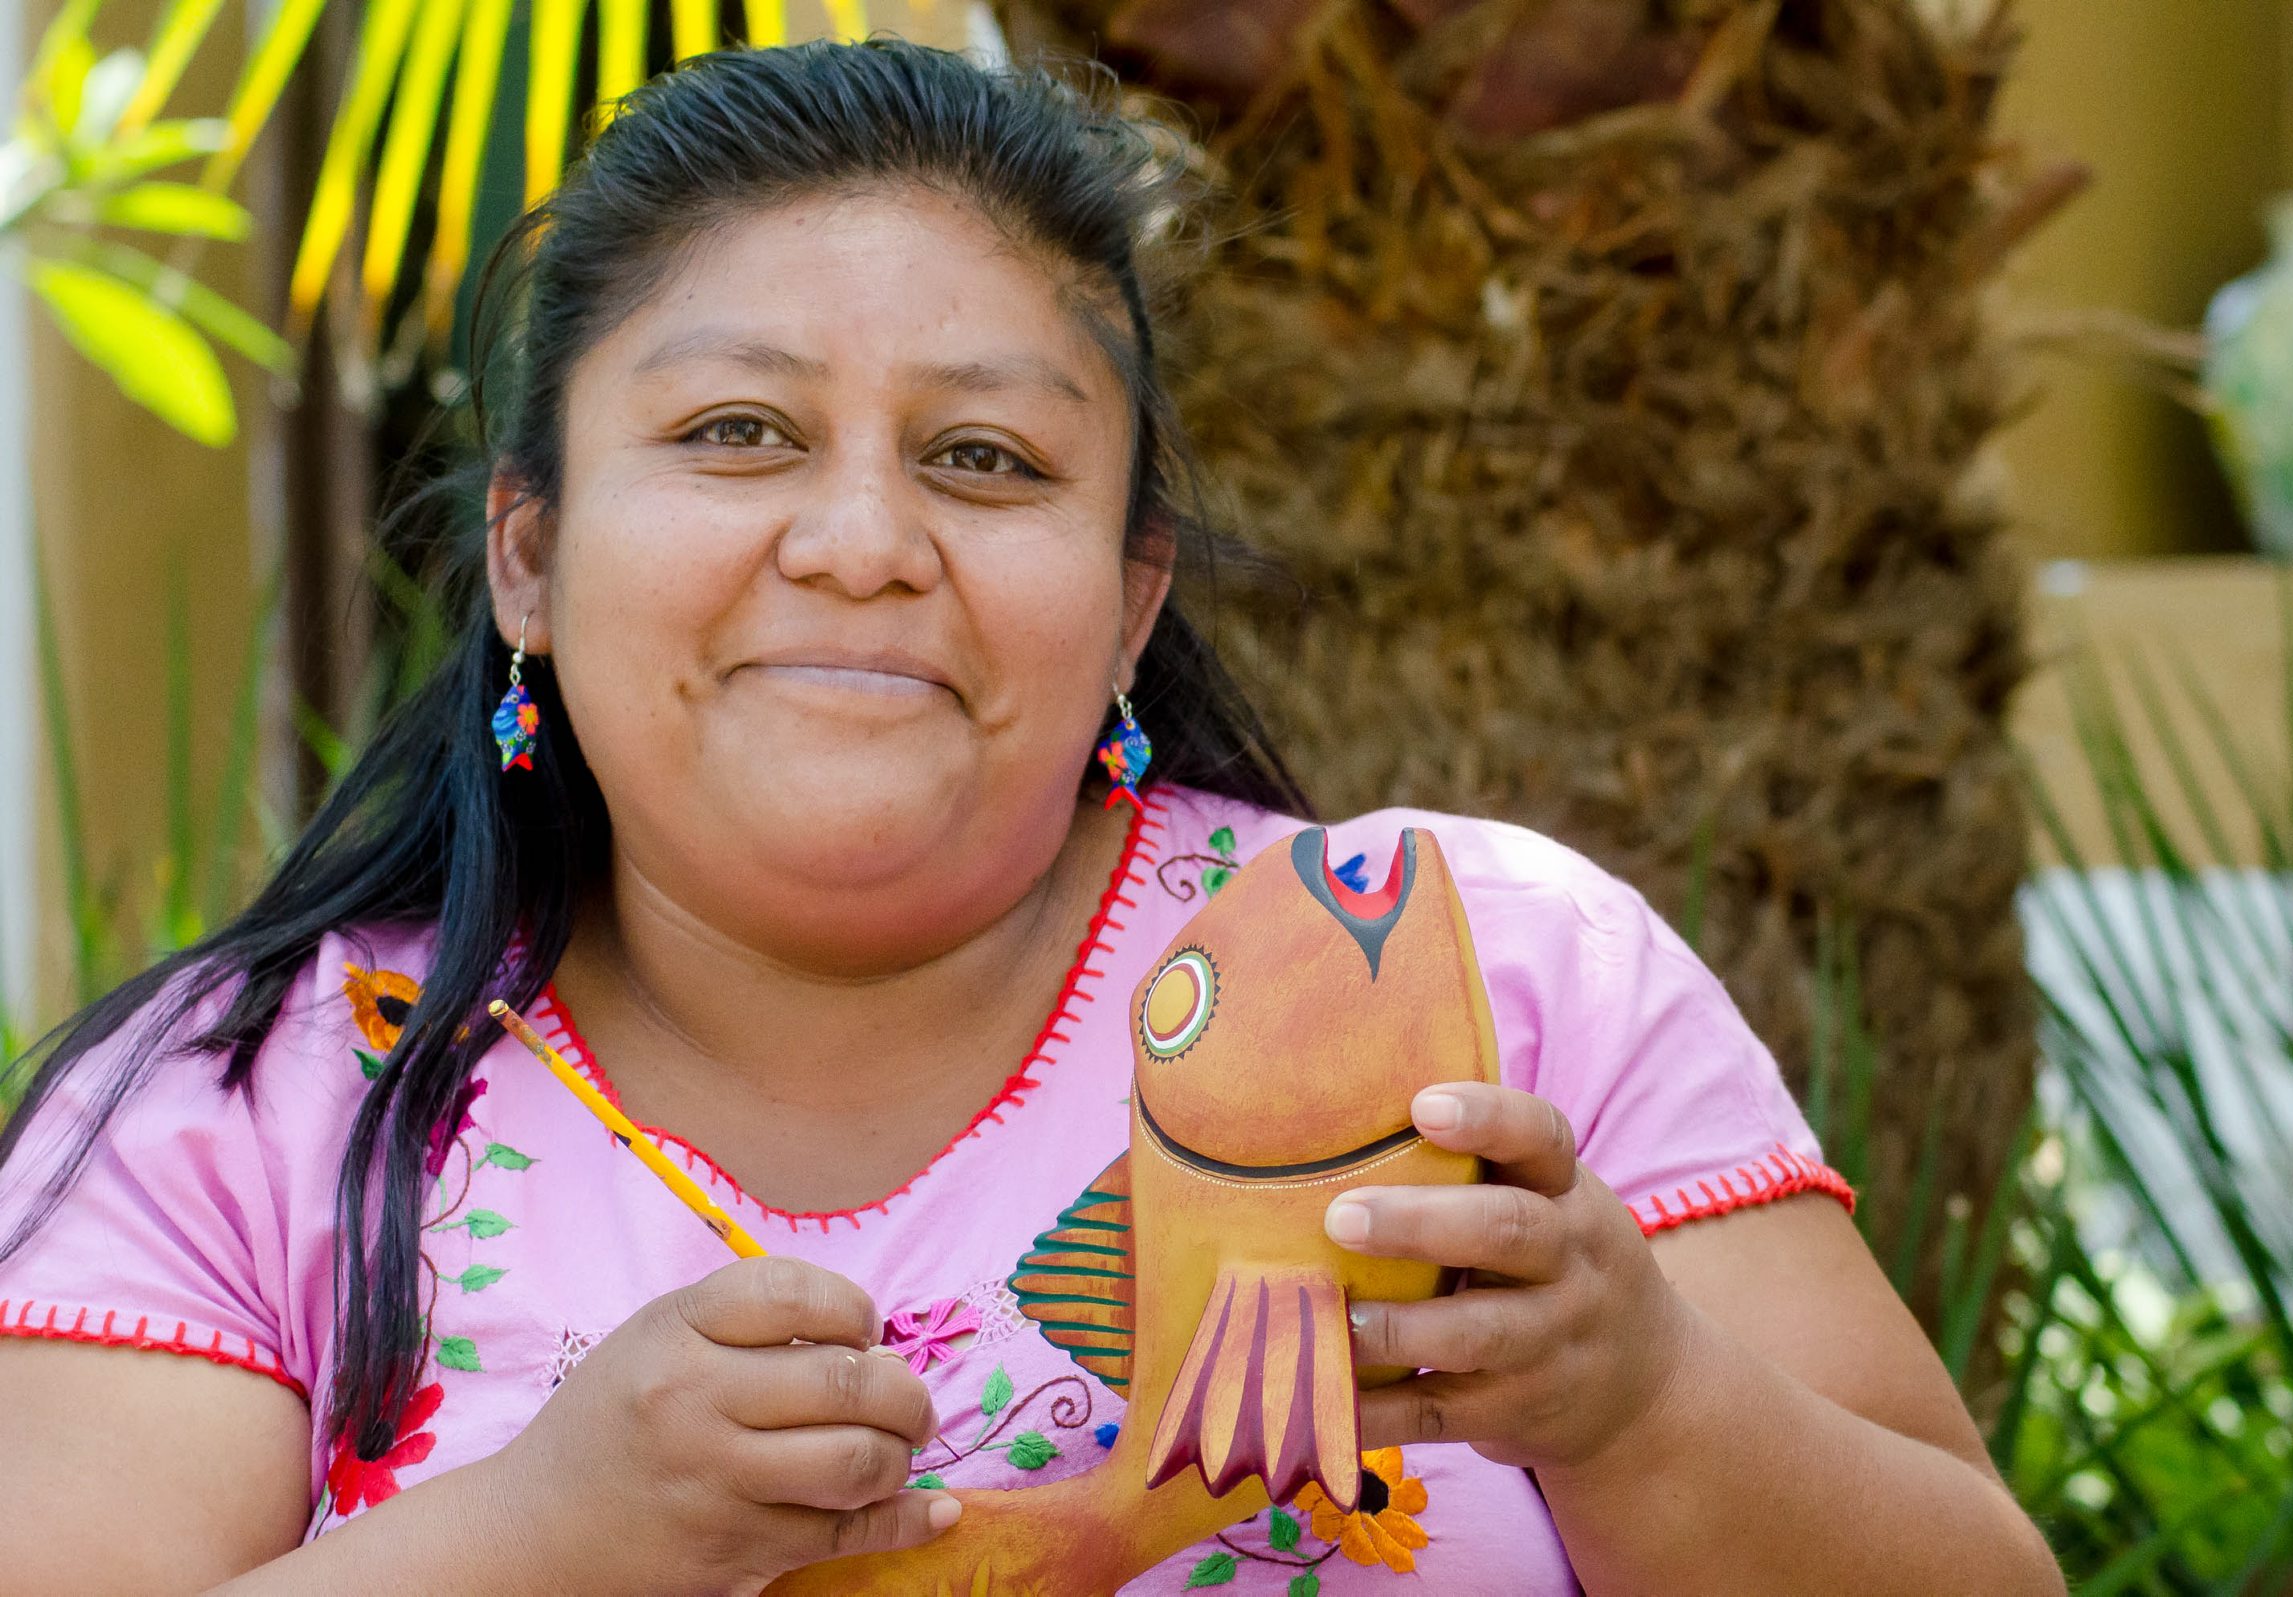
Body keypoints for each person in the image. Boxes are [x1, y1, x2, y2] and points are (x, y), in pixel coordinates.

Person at [0, 39, 2063, 1597]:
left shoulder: (1469, 968)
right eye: (737, 431)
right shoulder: (244, 1110)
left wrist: (1644, 1398)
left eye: (985, 458)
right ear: (526, 557)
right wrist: (538, 1538)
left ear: (1132, 594)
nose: (861, 541)